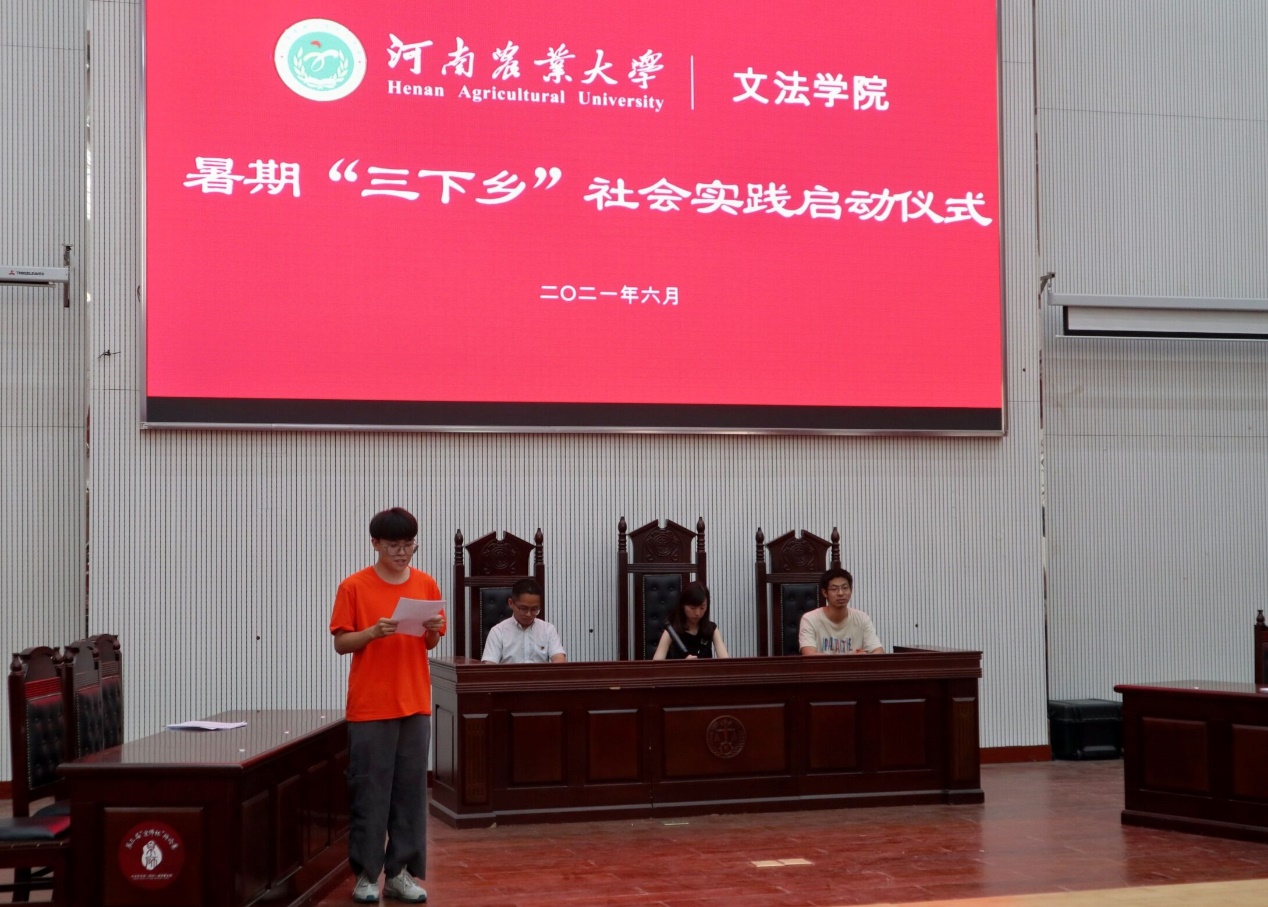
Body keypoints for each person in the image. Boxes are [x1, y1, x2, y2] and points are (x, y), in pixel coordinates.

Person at [329, 507, 445, 904]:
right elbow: (341, 643)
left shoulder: (425, 583)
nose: (402, 552)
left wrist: (433, 631)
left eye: (409, 545)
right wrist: (372, 633)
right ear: (375, 544)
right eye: (393, 545)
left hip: (415, 701)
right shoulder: (354, 586)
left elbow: (430, 642)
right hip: (371, 705)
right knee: (370, 792)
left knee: (410, 794)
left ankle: (400, 874)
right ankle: (366, 874)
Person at [799, 567, 883, 655]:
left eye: (845, 588)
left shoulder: (862, 618)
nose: (840, 593)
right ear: (824, 592)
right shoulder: (810, 619)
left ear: (851, 590)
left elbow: (879, 652)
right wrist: (851, 659)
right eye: (834, 589)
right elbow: (809, 655)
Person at [480, 578, 566, 664]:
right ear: (511, 603)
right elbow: (490, 666)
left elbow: (560, 661)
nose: (528, 614)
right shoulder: (498, 632)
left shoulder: (548, 629)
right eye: (523, 608)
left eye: (534, 609)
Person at [652, 581, 730, 659]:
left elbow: (725, 661)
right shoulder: (671, 630)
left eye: (702, 608)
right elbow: (657, 663)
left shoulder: (711, 629)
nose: (697, 613)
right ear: (683, 605)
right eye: (692, 608)